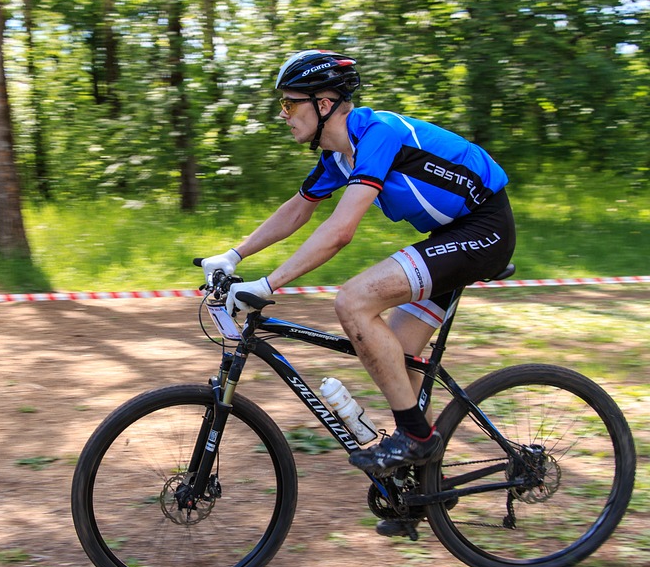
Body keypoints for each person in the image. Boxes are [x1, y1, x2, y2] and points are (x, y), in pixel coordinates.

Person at [201, 50, 516, 535]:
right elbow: (299, 209)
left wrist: (267, 285)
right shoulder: (339, 155)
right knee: (400, 356)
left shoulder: (378, 136)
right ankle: (420, 491)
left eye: (290, 105)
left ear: (325, 103)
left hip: (483, 228)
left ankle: (418, 440)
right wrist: (234, 255)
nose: (284, 116)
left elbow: (341, 230)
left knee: (354, 301)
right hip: (451, 237)